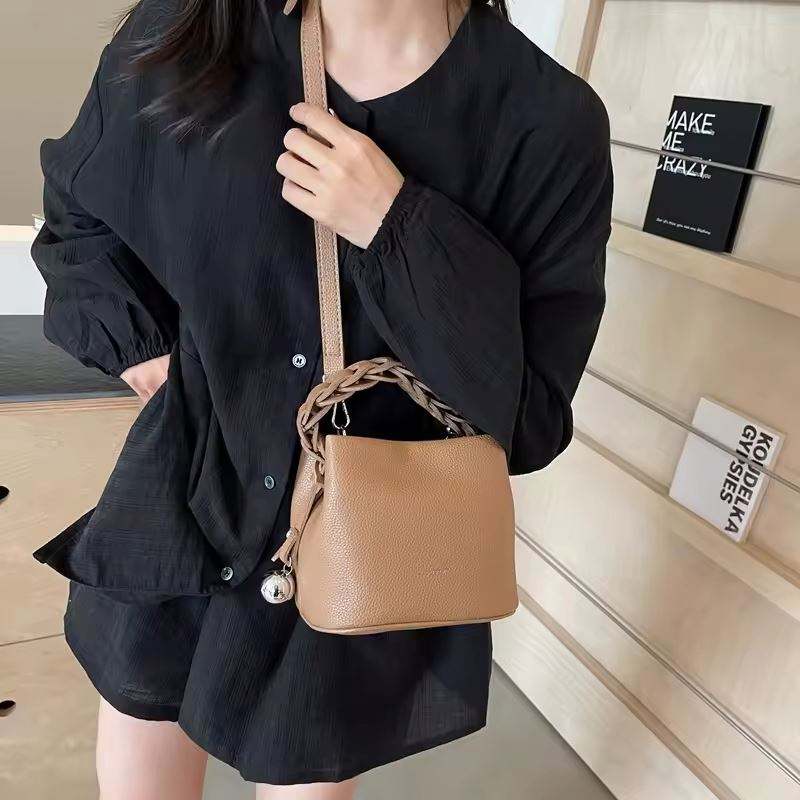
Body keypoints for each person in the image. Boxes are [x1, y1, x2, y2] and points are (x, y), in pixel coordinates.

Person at [30, 0, 613, 797]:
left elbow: (530, 417)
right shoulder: (196, 30)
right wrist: (148, 353)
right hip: (181, 504)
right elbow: (79, 216)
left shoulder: (546, 122)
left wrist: (397, 227)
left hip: (357, 549)